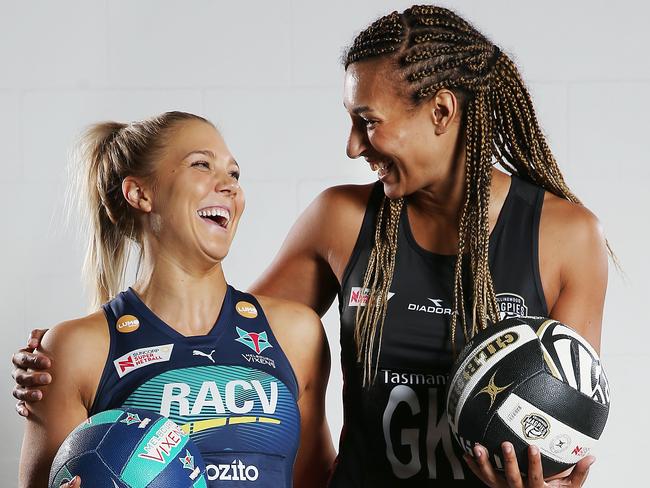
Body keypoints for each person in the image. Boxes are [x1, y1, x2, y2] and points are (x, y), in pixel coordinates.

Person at [12, 6, 608, 488]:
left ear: (442, 111)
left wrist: (551, 482)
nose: (352, 146)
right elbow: (227, 344)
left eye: (367, 121)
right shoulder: (341, 219)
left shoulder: (567, 237)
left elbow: (567, 429)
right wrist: (75, 357)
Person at [16, 111, 334, 488]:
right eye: (202, 164)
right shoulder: (77, 349)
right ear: (140, 193)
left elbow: (317, 478)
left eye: (234, 174)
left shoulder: (296, 334)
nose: (230, 185)